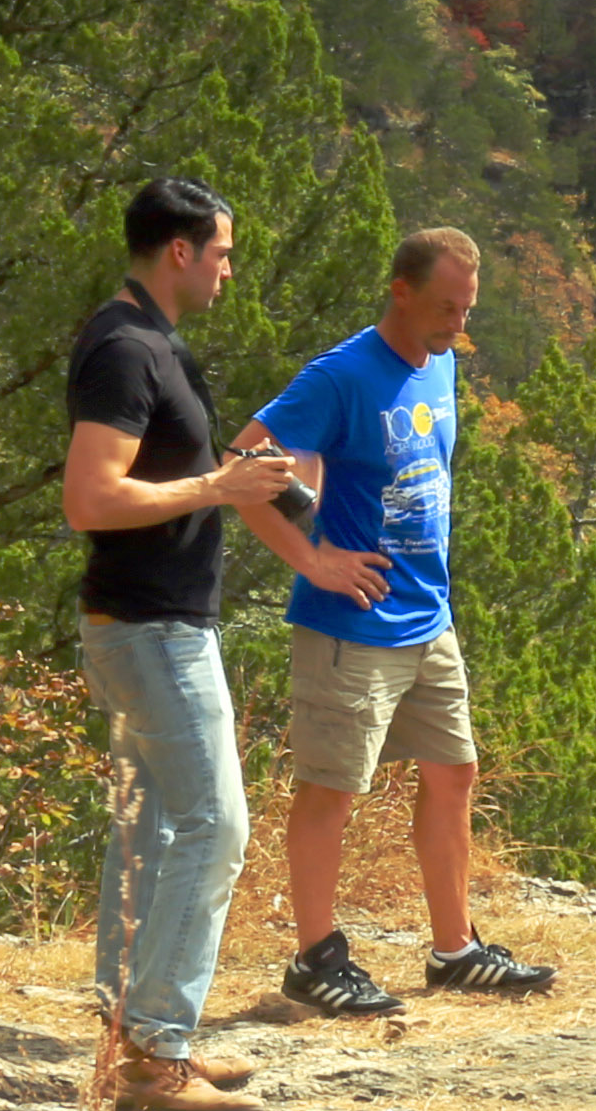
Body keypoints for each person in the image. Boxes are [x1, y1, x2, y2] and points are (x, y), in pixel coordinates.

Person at [235, 225, 559, 1017]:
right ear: (401, 291)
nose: (458, 324)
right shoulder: (341, 374)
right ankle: (314, 961)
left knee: (454, 775)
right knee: (330, 792)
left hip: (426, 616)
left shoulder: (440, 361)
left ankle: (455, 952)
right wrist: (313, 561)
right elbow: (244, 463)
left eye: (467, 309)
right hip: (352, 623)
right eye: (446, 307)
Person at [63, 177, 308, 1111]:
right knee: (216, 826)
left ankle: (134, 1033)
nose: (229, 270)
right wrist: (217, 491)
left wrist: (233, 480)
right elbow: (91, 497)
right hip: (152, 627)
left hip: (146, 624)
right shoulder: (125, 350)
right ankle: (156, 1054)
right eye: (222, 253)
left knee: (153, 830)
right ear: (179, 251)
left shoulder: (147, 341)